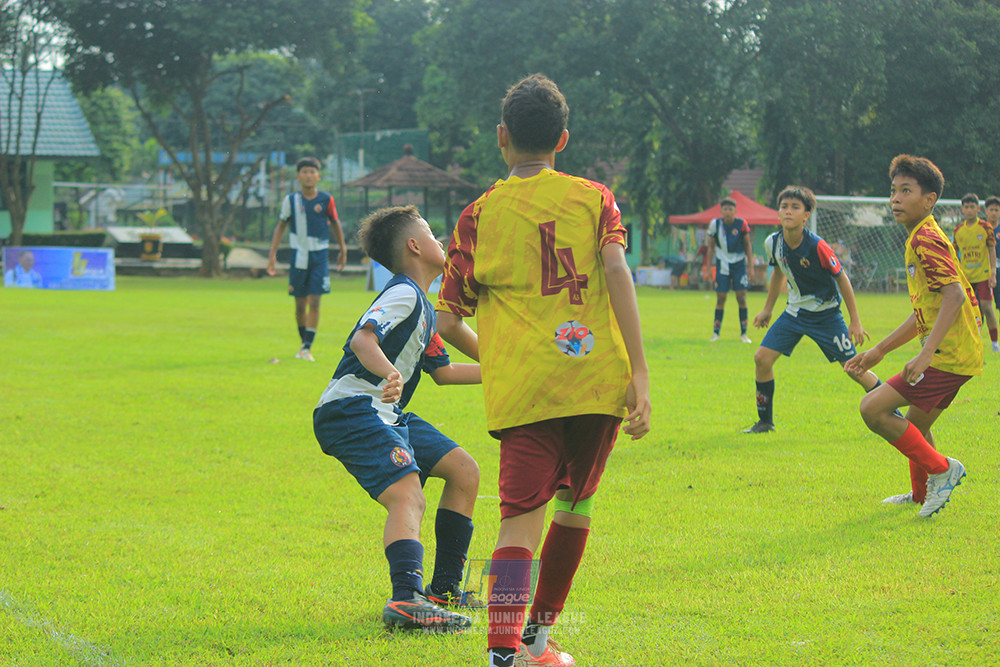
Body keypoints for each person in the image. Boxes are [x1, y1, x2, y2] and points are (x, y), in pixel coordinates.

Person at [435, 74, 652, 667]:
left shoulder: (477, 215)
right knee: (575, 507)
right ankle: (537, 643)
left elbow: (448, 320)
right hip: (595, 379)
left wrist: (500, 361)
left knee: (518, 525)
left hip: (527, 390)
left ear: (501, 137)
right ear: (562, 139)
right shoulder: (593, 196)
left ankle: (504, 651)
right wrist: (640, 373)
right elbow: (616, 272)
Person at [312, 205, 482, 631]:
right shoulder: (404, 293)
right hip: (353, 408)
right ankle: (407, 600)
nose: (440, 240)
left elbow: (443, 373)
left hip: (387, 412)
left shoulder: (422, 306)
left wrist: (511, 375)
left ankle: (442, 592)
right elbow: (363, 338)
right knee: (408, 495)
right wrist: (388, 370)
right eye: (431, 232)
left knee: (464, 471)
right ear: (414, 245)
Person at [845, 155, 979, 517]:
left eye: (906, 191)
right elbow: (924, 311)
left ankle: (943, 470)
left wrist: (926, 354)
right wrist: (879, 351)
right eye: (893, 191)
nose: (895, 199)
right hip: (956, 351)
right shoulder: (920, 237)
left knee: (872, 409)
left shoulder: (926, 240)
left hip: (948, 354)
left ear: (929, 199)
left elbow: (955, 296)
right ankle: (922, 494)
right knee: (916, 424)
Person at [743, 186, 885, 434]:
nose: (788, 211)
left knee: (853, 368)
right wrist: (767, 309)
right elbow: (778, 273)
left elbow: (843, 280)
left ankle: (891, 409)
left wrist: (855, 322)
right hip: (794, 313)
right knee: (761, 359)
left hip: (826, 316)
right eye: (784, 206)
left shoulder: (818, 246)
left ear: (806, 215)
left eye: (795, 207)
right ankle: (765, 422)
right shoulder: (772, 242)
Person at [267, 157, 348, 361]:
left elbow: (335, 223)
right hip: (298, 255)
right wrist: (272, 254)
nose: (309, 175)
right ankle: (304, 345)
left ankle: (307, 347)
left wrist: (342, 248)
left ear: (318, 176)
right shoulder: (291, 200)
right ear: (298, 176)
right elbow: (281, 226)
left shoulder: (326, 199)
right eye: (305, 172)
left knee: (315, 299)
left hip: (319, 255)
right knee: (300, 304)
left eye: (312, 172)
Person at [953, 192, 998, 352]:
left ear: (978, 208)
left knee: (986, 307)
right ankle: (974, 341)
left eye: (972, 207)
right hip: (966, 278)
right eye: (966, 207)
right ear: (963, 209)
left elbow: (992, 249)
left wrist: (993, 272)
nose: (969, 210)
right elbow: (954, 254)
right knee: (970, 310)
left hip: (983, 275)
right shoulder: (958, 230)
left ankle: (994, 343)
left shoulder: (986, 227)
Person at [706, 196, 754, 343]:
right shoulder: (715, 224)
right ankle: (716, 333)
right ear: (721, 211)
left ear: (735, 211)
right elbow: (711, 247)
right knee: (721, 297)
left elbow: (747, 246)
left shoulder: (741, 224)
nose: (727, 212)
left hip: (739, 263)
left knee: (741, 296)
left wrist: (750, 266)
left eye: (730, 209)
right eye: (725, 209)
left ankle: (744, 333)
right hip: (723, 264)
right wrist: (708, 268)